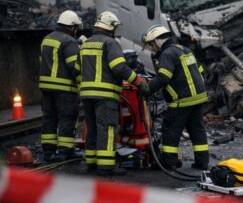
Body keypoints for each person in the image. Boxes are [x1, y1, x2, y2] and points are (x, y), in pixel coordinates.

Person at [80, 11, 147, 175]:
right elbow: (119, 68)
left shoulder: (86, 43)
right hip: (105, 95)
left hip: (87, 94)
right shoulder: (110, 43)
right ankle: (106, 167)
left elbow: (78, 67)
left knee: (93, 128)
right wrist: (138, 81)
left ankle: (92, 163)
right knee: (108, 129)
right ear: (110, 27)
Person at [143, 25, 210, 170]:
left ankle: (168, 162)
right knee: (197, 130)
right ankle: (202, 162)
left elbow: (163, 77)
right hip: (198, 97)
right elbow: (200, 70)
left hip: (182, 100)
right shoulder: (185, 50)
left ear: (157, 40)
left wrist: (146, 89)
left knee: (170, 130)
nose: (152, 48)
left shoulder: (167, 53)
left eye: (151, 44)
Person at [39, 10, 83, 162]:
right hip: (64, 89)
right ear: (71, 26)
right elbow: (75, 67)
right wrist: (82, 83)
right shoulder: (69, 41)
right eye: (76, 27)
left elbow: (42, 62)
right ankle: (65, 151)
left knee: (49, 118)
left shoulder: (46, 39)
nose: (76, 30)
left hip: (46, 88)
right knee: (67, 119)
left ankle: (48, 152)